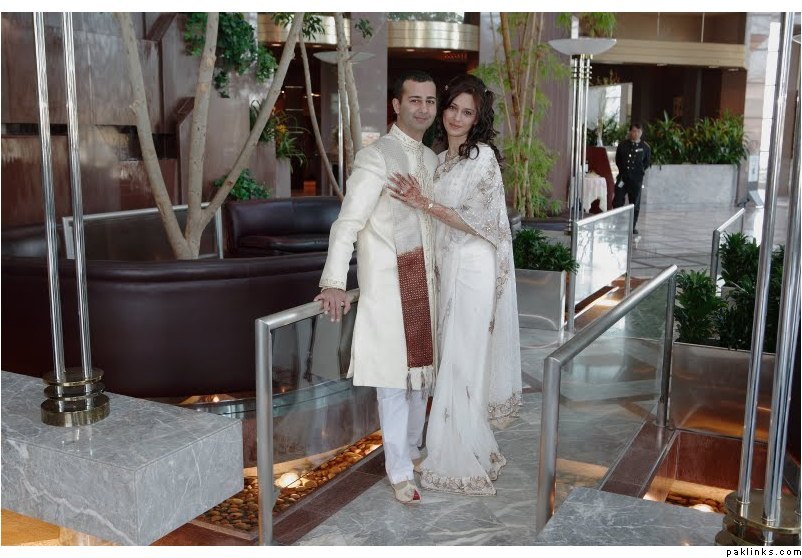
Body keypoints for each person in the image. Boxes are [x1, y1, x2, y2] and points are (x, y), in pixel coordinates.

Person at [388, 74, 522, 496]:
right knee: (452, 358)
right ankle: (464, 444)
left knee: (463, 358)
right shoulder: (441, 158)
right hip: (448, 266)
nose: (457, 118)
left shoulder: (480, 157)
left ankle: (457, 458)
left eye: (468, 112)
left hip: (473, 267)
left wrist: (423, 202)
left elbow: (479, 221)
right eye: (452, 108)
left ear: (477, 119)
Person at [314, 70, 439, 505]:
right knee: (393, 382)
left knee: (422, 378)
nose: (423, 108)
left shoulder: (432, 159)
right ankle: (399, 470)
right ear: (396, 105)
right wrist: (334, 282)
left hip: (427, 286)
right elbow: (347, 224)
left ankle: (414, 450)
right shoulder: (376, 157)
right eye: (414, 100)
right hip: (389, 289)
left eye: (430, 101)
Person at [613, 122, 652, 235]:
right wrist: (624, 171)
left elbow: (646, 162)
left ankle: (632, 226)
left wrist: (639, 172)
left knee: (634, 203)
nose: (636, 133)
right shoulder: (623, 145)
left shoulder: (645, 147)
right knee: (617, 201)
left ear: (641, 133)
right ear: (630, 132)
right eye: (634, 131)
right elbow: (618, 160)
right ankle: (617, 224)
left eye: (638, 131)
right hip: (623, 178)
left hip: (636, 180)